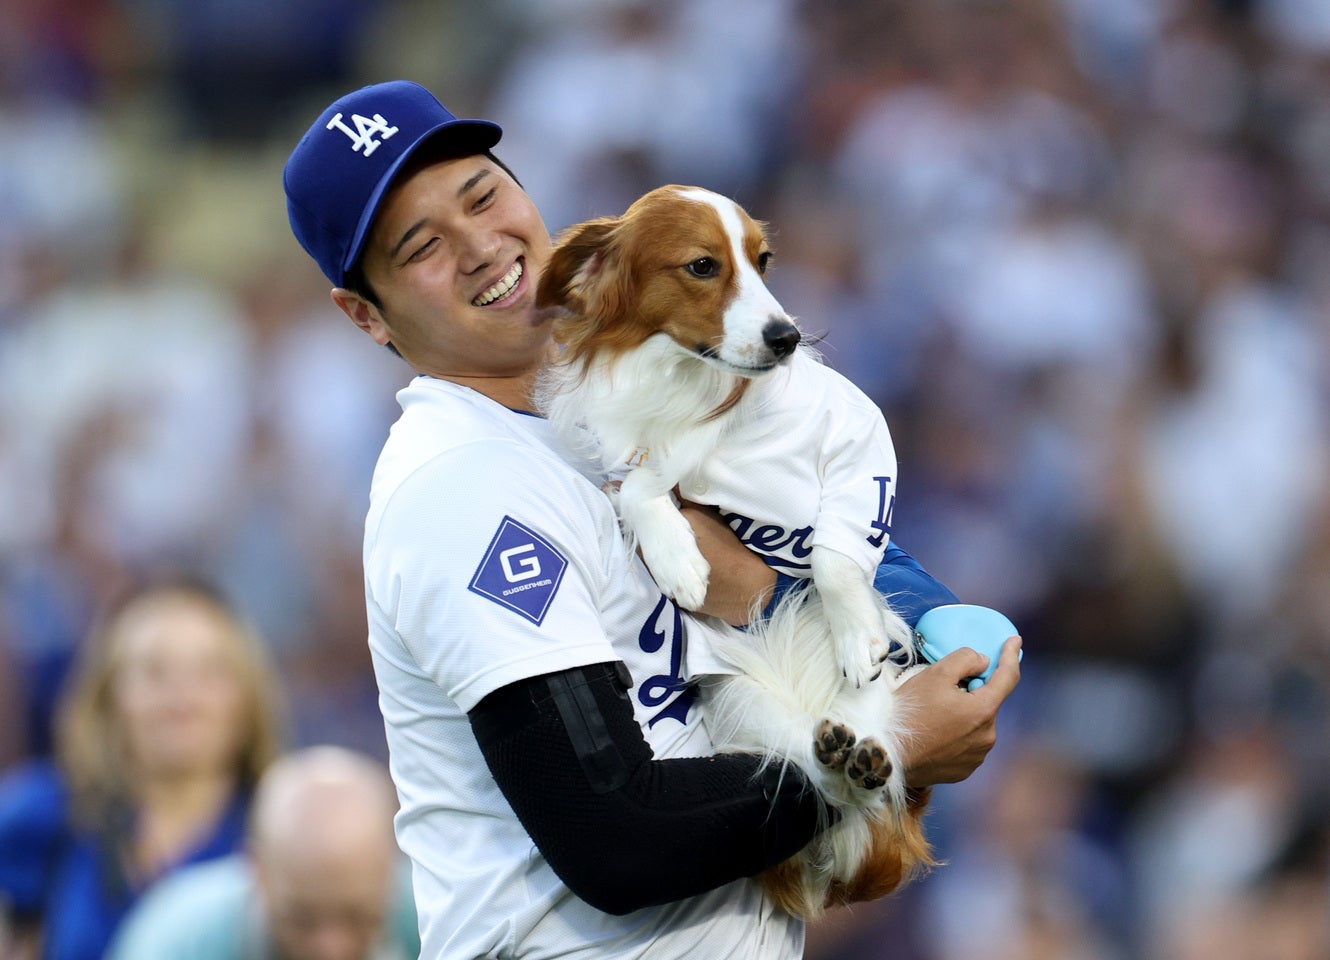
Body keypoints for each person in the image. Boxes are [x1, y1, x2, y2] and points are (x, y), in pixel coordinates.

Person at [282, 79, 1021, 958]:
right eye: (422, 247)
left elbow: (829, 533)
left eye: (482, 197)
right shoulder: (461, 483)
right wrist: (891, 744)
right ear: (366, 315)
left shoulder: (633, 381)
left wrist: (911, 620)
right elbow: (614, 833)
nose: (480, 246)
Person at [0, 579, 284, 960]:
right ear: (110, 695)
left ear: (247, 697)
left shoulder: (281, 834)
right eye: (154, 672)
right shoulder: (45, 815)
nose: (182, 697)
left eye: (209, 673)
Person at [106, 745, 420, 960]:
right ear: (256, 870)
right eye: (303, 919)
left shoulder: (432, 918)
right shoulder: (177, 940)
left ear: (390, 869)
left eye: (357, 917)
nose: (330, 950)